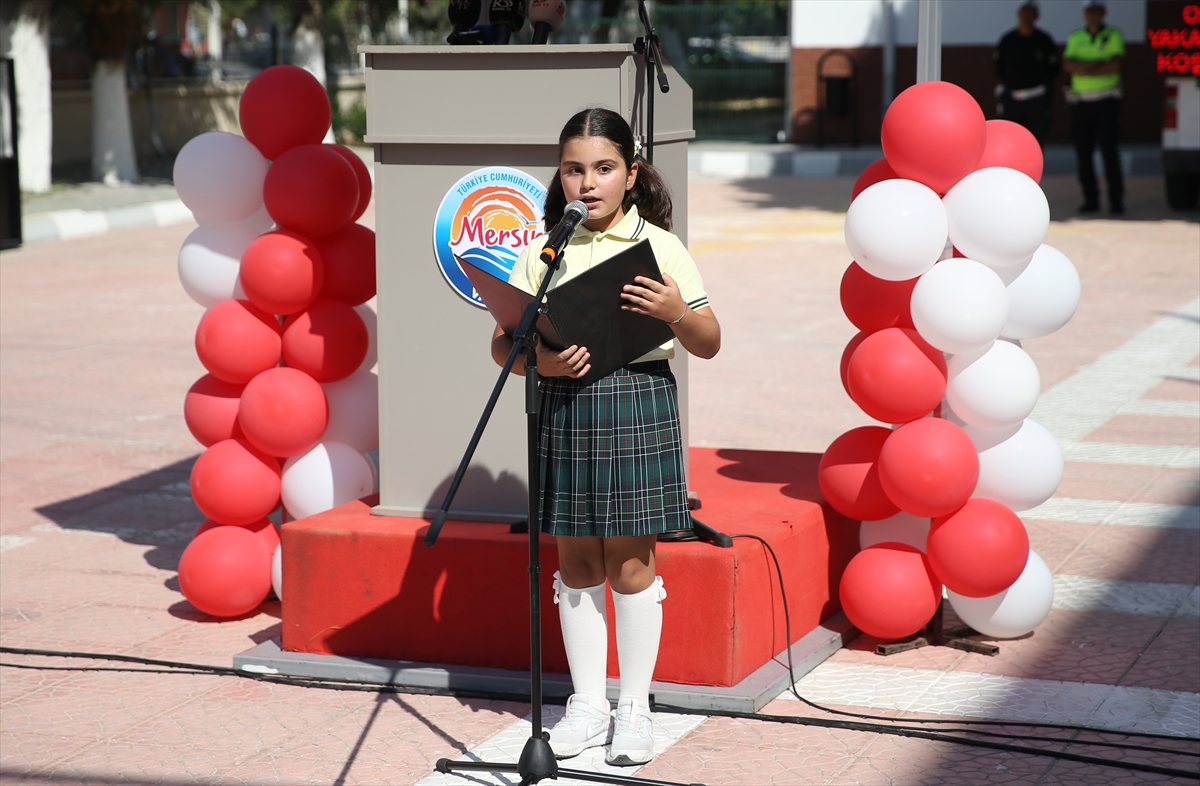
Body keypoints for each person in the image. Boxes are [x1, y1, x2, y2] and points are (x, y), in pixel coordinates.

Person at [491, 107, 721, 766]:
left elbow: (708, 342)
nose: (587, 183)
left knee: (629, 561)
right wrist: (544, 361)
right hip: (563, 405)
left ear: (631, 172)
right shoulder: (543, 248)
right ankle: (588, 706)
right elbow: (502, 340)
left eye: (603, 168)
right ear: (558, 176)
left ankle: (635, 707)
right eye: (573, 169)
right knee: (577, 561)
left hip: (635, 402)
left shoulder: (661, 247)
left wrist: (677, 312)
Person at [1063, 0, 1126, 214]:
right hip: (1081, 102)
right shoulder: (1076, 37)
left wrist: (1084, 68)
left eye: (1096, 11)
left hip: (1106, 100)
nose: (1092, 15)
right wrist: (1099, 65)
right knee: (1083, 152)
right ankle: (1091, 200)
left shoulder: (1113, 34)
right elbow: (1068, 64)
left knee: (1109, 152)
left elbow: (1115, 63)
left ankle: (1116, 201)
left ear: (1103, 13)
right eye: (1089, 11)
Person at [995, 1, 1060, 146]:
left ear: (1036, 16)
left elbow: (1054, 69)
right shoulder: (1008, 40)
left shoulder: (1044, 40)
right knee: (1010, 140)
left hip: (1036, 99)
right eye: (1023, 12)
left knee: (1035, 141)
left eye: (1029, 12)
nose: (1025, 16)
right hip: (1013, 100)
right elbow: (999, 67)